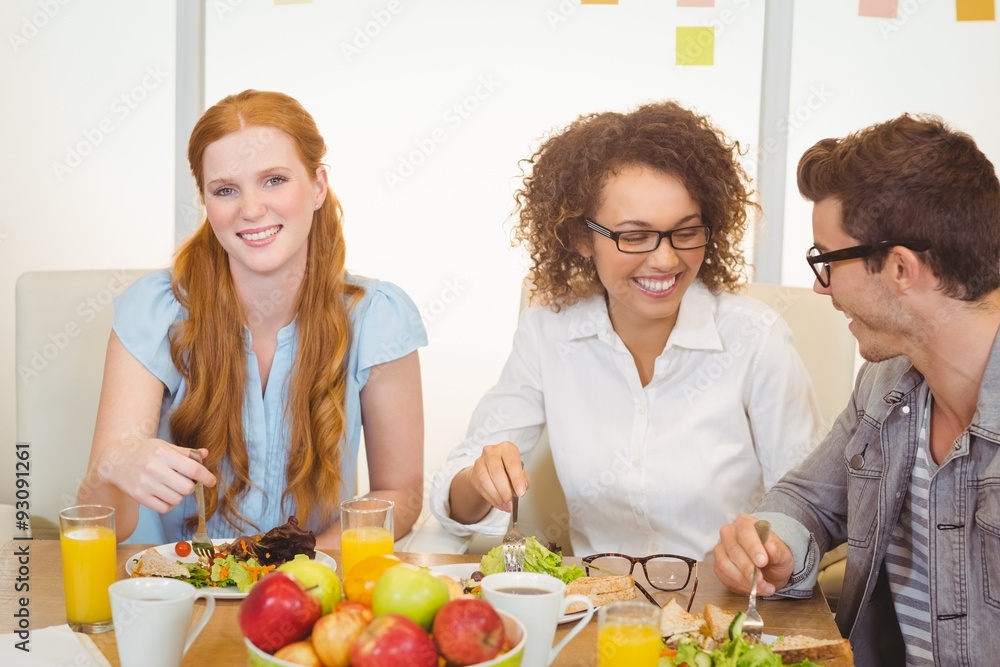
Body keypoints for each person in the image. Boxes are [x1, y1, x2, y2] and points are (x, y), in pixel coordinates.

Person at [430, 101, 824, 559]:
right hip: (599, 608)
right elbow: (455, 502)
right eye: (634, 236)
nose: (665, 260)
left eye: (685, 231)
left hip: (723, 607)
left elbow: (808, 510)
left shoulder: (756, 339)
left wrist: (772, 552)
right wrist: (481, 480)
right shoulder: (548, 333)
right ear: (581, 237)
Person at [78, 90, 426, 548]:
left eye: (275, 180)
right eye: (225, 190)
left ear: (318, 187)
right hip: (174, 589)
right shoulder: (155, 309)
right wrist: (111, 467)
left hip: (308, 586)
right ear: (206, 202)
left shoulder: (377, 316)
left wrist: (294, 561)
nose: (252, 209)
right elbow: (100, 523)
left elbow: (400, 494)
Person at [712, 114, 1000, 664]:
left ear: (900, 269)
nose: (822, 291)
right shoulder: (885, 386)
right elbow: (808, 501)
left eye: (826, 261)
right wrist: (776, 547)